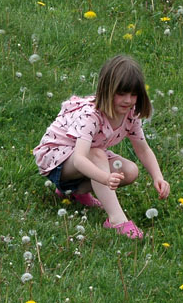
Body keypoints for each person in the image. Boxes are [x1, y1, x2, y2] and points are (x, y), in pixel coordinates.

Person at [33, 55, 169, 239]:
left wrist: (158, 177)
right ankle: (117, 220)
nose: (128, 100)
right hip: (56, 161)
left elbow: (143, 149)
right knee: (97, 155)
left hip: (83, 160)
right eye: (121, 93)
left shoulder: (130, 114)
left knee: (129, 171)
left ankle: (76, 193)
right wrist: (104, 178)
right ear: (107, 90)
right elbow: (81, 158)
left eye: (133, 94)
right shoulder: (91, 115)